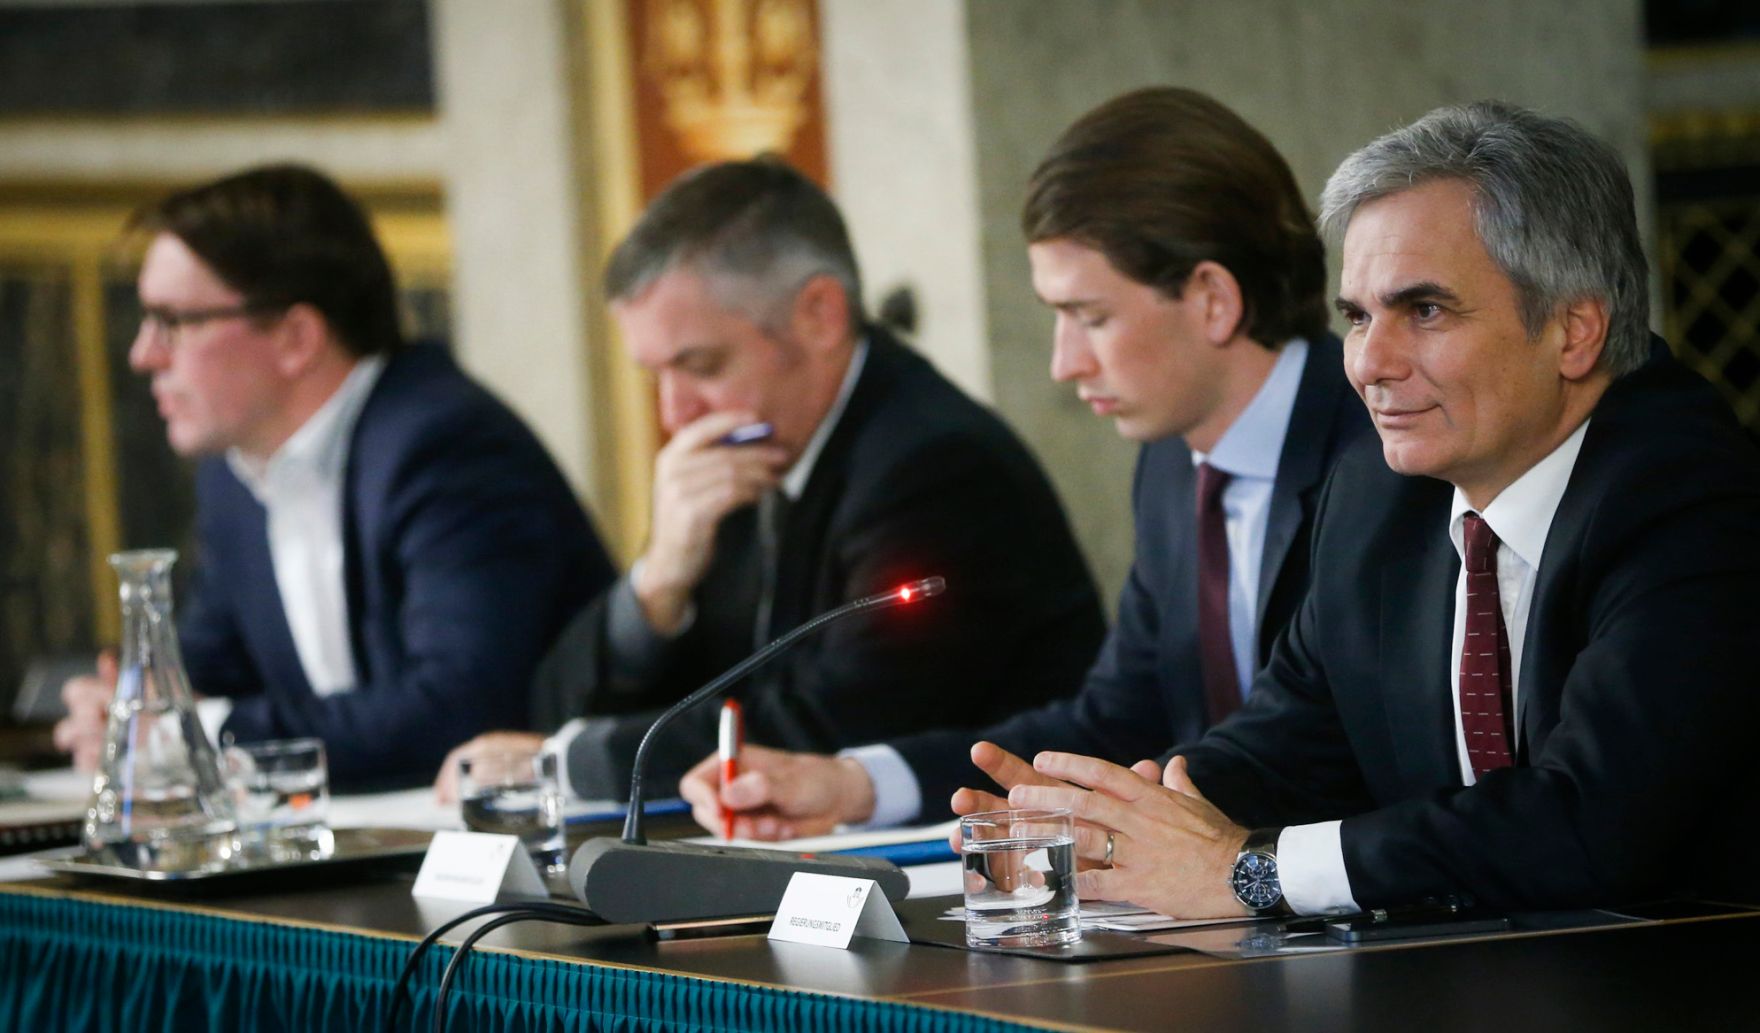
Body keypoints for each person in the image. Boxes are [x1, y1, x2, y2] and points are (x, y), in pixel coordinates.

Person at [1001, 101, 1760, 917]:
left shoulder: (1690, 495)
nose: (1369, 363)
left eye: (1424, 311)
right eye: (1358, 317)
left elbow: (1586, 820)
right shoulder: (1377, 491)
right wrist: (1110, 825)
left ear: (1574, 330)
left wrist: (1246, 871)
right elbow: (1285, 749)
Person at [679, 87, 1373, 840]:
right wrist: (853, 782)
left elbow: (1318, 751)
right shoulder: (1174, 466)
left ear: (1211, 298)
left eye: (1091, 317)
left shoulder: (1378, 448)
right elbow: (1112, 721)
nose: (1063, 363)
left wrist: (1117, 822)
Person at [436, 157, 1105, 803]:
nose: (674, 413)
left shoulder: (936, 467)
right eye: (655, 374)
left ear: (818, 313)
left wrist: (569, 764)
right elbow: (558, 706)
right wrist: (660, 582)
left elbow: (826, 730)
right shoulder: (744, 452)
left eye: (699, 364)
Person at [52, 164, 615, 789]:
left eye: (174, 322)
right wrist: (131, 709)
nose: (143, 354)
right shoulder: (235, 470)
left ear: (296, 337)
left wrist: (194, 734)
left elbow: (455, 711)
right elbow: (209, 670)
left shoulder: (446, 446)